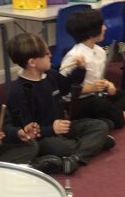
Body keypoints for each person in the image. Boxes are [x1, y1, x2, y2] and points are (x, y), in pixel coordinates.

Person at [6, 33, 112, 176]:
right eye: (46, 53)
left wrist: (80, 69)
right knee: (59, 147)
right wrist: (51, 129)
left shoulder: (50, 75)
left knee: (100, 125)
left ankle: (75, 157)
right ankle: (91, 145)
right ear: (32, 62)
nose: (50, 55)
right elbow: (26, 131)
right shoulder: (18, 92)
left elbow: (68, 87)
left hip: (63, 127)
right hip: (45, 136)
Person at [60, 9, 125, 127]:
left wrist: (107, 84)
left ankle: (110, 116)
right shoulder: (74, 56)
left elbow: (99, 80)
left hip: (99, 97)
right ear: (91, 31)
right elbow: (64, 91)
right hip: (80, 102)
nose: (105, 28)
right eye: (102, 25)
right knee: (98, 104)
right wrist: (89, 88)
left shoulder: (100, 51)